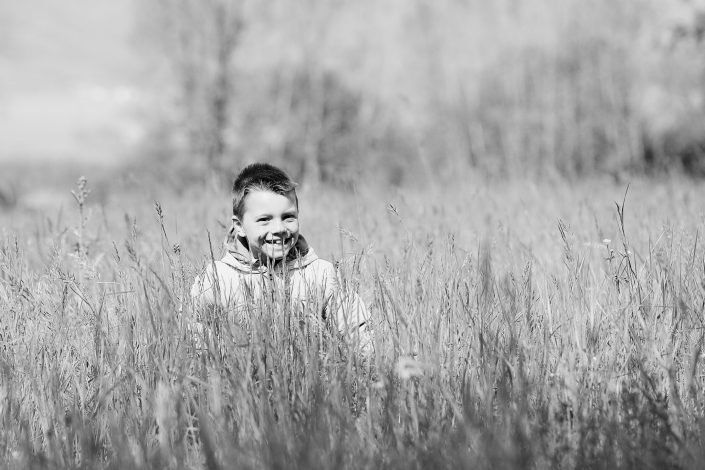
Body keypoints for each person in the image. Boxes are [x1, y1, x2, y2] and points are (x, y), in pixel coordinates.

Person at [190, 163, 370, 354]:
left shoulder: (321, 274)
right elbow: (194, 338)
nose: (279, 229)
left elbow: (359, 335)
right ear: (239, 225)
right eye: (264, 219)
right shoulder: (216, 278)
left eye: (288, 217)